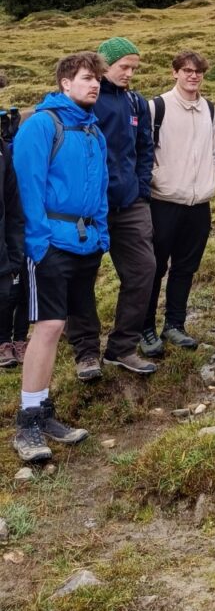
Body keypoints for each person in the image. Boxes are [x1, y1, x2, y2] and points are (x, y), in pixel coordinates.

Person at [12, 52, 109, 461]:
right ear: (65, 83)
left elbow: (101, 186)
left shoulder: (93, 131)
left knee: (63, 323)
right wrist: (39, 243)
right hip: (51, 242)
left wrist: (101, 233)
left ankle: (45, 410)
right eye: (88, 79)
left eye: (98, 81)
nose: (95, 86)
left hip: (85, 243)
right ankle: (27, 423)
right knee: (49, 326)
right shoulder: (40, 126)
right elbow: (27, 188)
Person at [66, 36, 157, 378]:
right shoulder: (86, 100)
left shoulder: (136, 102)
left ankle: (122, 347)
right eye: (124, 67)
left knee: (143, 271)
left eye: (134, 68)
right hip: (90, 208)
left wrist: (141, 190)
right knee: (81, 278)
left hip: (130, 204)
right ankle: (86, 352)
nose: (129, 73)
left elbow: (145, 149)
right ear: (104, 66)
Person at [139, 50, 215, 356]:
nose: (193, 76)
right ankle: (144, 328)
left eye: (198, 71)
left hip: (199, 203)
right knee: (154, 268)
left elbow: (214, 150)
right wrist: (158, 177)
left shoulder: (210, 110)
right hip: (163, 202)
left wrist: (211, 179)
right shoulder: (156, 107)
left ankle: (174, 324)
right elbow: (144, 150)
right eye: (186, 70)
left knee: (185, 268)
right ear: (175, 73)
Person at [0, 115, 25, 369]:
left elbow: (12, 205)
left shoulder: (2, 149)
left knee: (9, 292)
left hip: (5, 242)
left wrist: (15, 248)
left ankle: (9, 342)